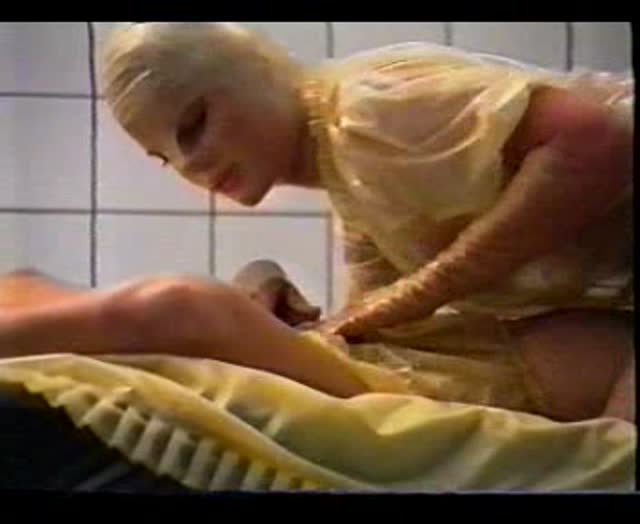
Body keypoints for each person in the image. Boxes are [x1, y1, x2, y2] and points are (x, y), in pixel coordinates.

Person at [3, 22, 633, 424]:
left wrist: (434, 285)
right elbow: (373, 314)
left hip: (547, 367)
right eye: (165, 157)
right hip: (492, 362)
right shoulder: (349, 168)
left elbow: (597, 141)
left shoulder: (366, 109)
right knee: (182, 309)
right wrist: (278, 289)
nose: (188, 165)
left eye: (193, 125)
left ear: (253, 74)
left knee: (184, 310)